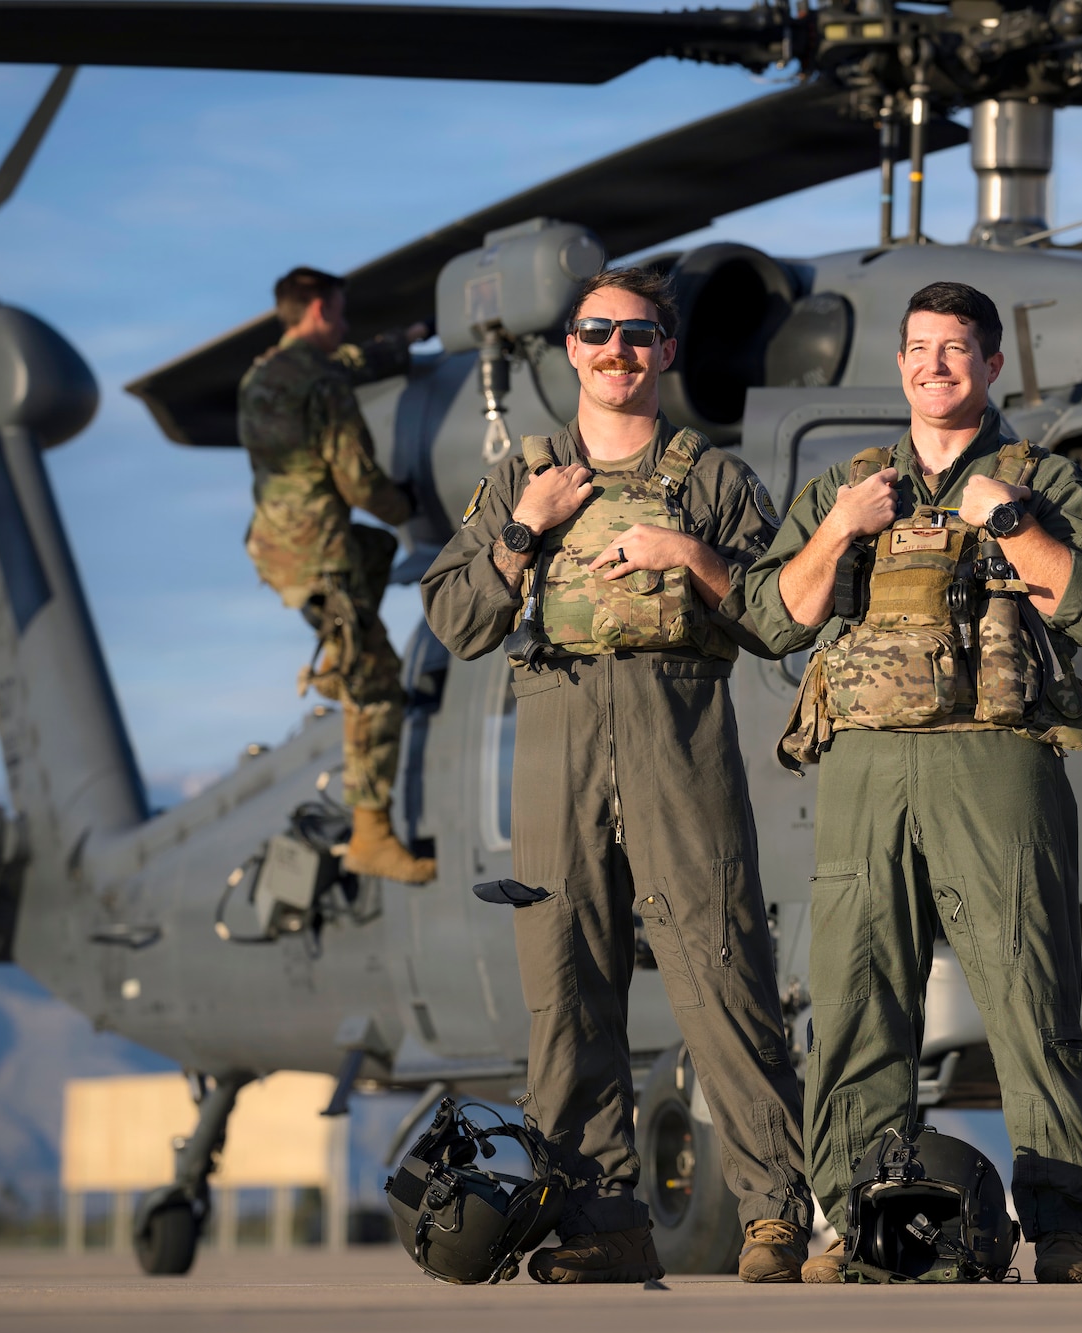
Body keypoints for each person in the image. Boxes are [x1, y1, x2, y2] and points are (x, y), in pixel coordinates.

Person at [420, 267, 813, 1283]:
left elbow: (778, 618)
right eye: (595, 332)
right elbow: (458, 620)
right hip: (553, 734)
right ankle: (600, 1223)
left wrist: (687, 549)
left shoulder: (712, 479)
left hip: (675, 725)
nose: (614, 350)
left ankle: (773, 1212)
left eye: (636, 335)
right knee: (563, 988)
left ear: (665, 351)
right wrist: (524, 528)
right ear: (570, 348)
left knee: (721, 970)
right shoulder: (525, 475)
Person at [745, 281, 1082, 1285]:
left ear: (990, 365)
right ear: (900, 362)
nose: (932, 365)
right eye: (917, 348)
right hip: (865, 768)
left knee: (1026, 991)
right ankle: (856, 1218)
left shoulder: (1033, 476)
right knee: (858, 998)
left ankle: (1060, 1224)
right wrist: (838, 530)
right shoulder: (851, 483)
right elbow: (775, 621)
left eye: (954, 349)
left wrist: (1006, 519)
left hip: (993, 760)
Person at [237, 266, 434, 883]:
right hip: (321, 555)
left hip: (277, 549)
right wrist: (409, 504)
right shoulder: (324, 389)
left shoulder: (264, 373)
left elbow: (348, 361)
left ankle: (331, 659)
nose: (345, 325)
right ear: (320, 308)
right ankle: (372, 834)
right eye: (341, 314)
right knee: (378, 684)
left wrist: (407, 339)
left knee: (374, 550)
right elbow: (358, 480)